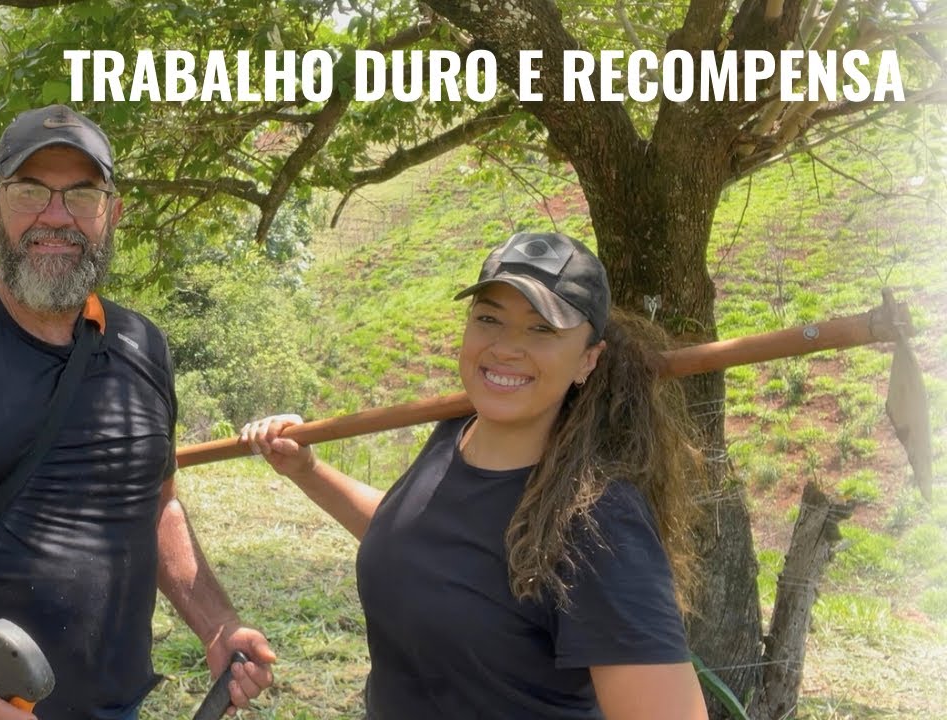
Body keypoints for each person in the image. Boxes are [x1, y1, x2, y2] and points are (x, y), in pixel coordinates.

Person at [0, 104, 274, 720]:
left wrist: (218, 625)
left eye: (82, 195)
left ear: (112, 214)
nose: (56, 217)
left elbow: (158, 503)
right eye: (30, 192)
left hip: (116, 706)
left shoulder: (145, 346)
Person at [242, 231, 709, 720]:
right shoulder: (455, 433)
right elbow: (421, 540)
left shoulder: (599, 519)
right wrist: (308, 471)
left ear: (588, 359)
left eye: (542, 329)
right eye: (489, 318)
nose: (506, 348)